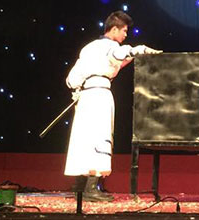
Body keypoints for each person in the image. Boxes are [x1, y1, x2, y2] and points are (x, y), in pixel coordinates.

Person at [64, 11, 161, 201]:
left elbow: (72, 78)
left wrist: (77, 91)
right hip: (100, 94)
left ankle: (80, 186)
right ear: (114, 29)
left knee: (84, 137)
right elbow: (119, 54)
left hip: (85, 95)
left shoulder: (89, 48)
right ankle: (91, 188)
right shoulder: (111, 46)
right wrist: (140, 49)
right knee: (99, 136)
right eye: (124, 31)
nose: (125, 35)